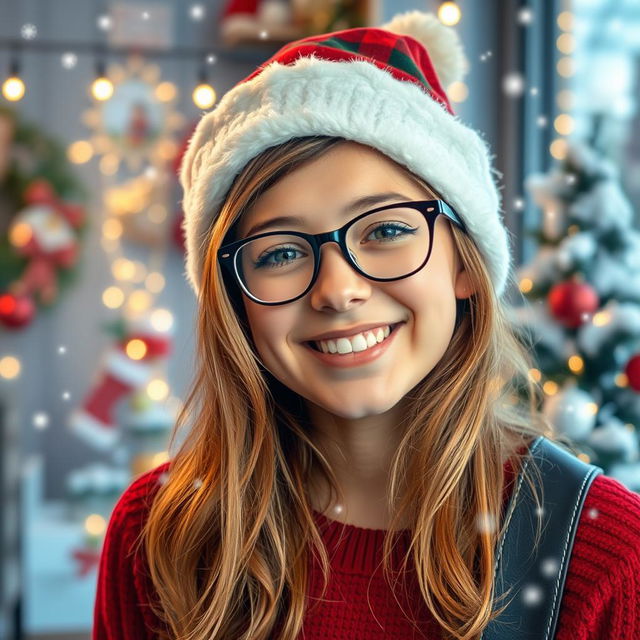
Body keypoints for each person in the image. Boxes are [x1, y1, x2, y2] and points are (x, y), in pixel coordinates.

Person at [92, 11, 640, 640]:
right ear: (234, 301)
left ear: (465, 263)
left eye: (385, 230)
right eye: (279, 252)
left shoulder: (605, 555)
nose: (338, 290)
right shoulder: (156, 537)